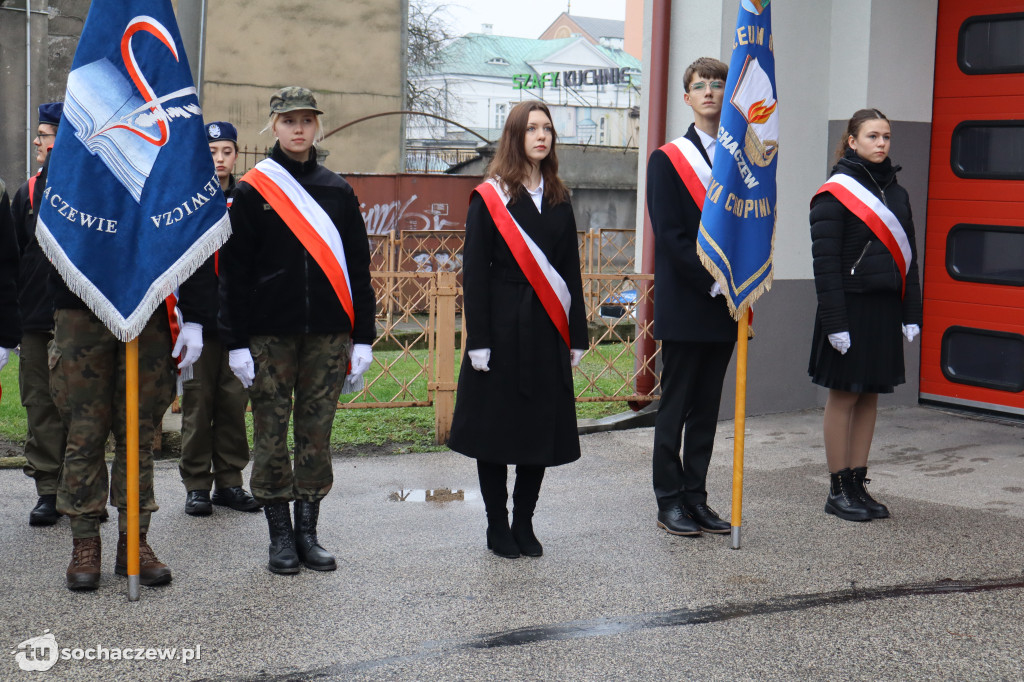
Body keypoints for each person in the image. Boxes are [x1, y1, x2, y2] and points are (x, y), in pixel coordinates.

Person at [219, 87, 376, 574]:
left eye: (307, 120)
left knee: (315, 435)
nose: (299, 128)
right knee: (270, 433)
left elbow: (357, 269)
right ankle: (279, 538)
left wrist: (364, 338)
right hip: (269, 336)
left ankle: (308, 533)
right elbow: (234, 274)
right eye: (289, 121)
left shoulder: (337, 190)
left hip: (327, 336)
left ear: (317, 127)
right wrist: (236, 343)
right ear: (274, 126)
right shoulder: (252, 190)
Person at [447, 101, 588, 559]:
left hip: (547, 328)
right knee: (496, 430)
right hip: (502, 328)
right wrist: (480, 340)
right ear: (515, 136)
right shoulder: (491, 196)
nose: (541, 136)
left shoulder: (559, 197)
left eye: (547, 129)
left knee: (536, 430)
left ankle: (525, 521)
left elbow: (569, 270)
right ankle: (496, 524)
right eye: (531, 129)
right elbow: (476, 273)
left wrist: (577, 332)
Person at [54, 232, 212, 591]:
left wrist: (196, 317)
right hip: (81, 301)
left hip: (148, 304)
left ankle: (134, 542)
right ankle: (85, 542)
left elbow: (192, 230)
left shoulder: (163, 170)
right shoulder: (73, 171)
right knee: (85, 431)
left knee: (138, 434)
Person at [808, 108, 922, 522]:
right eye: (872, 136)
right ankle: (837, 488)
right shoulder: (835, 193)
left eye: (886, 136)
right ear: (852, 141)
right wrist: (835, 323)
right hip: (849, 308)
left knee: (871, 394)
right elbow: (825, 265)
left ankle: (858, 483)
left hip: (884, 307)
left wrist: (912, 312)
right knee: (845, 396)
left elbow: (910, 259)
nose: (881, 143)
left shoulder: (898, 192)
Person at [647, 57, 735, 538]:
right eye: (699, 86)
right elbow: (672, 236)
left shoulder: (742, 159)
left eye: (717, 85)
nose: (708, 92)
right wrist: (712, 280)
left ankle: (697, 497)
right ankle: (669, 501)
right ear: (687, 98)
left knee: (706, 409)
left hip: (727, 306)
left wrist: (737, 281)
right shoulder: (667, 159)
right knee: (676, 407)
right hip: (689, 300)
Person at [178, 121, 260, 517]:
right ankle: (196, 484)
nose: (220, 159)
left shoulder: (245, 199)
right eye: (212, 152)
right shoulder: (189, 201)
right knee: (197, 405)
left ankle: (229, 481)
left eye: (226, 152)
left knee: (232, 404)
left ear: (236, 156)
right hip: (199, 324)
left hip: (237, 324)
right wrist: (185, 316)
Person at [12, 102, 65, 526]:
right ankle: (48, 489)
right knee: (40, 405)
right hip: (34, 320)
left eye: (45, 133)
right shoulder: (27, 193)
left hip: (79, 320)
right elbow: (9, 261)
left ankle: (81, 491)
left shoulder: (90, 191)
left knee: (83, 408)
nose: (37, 141)